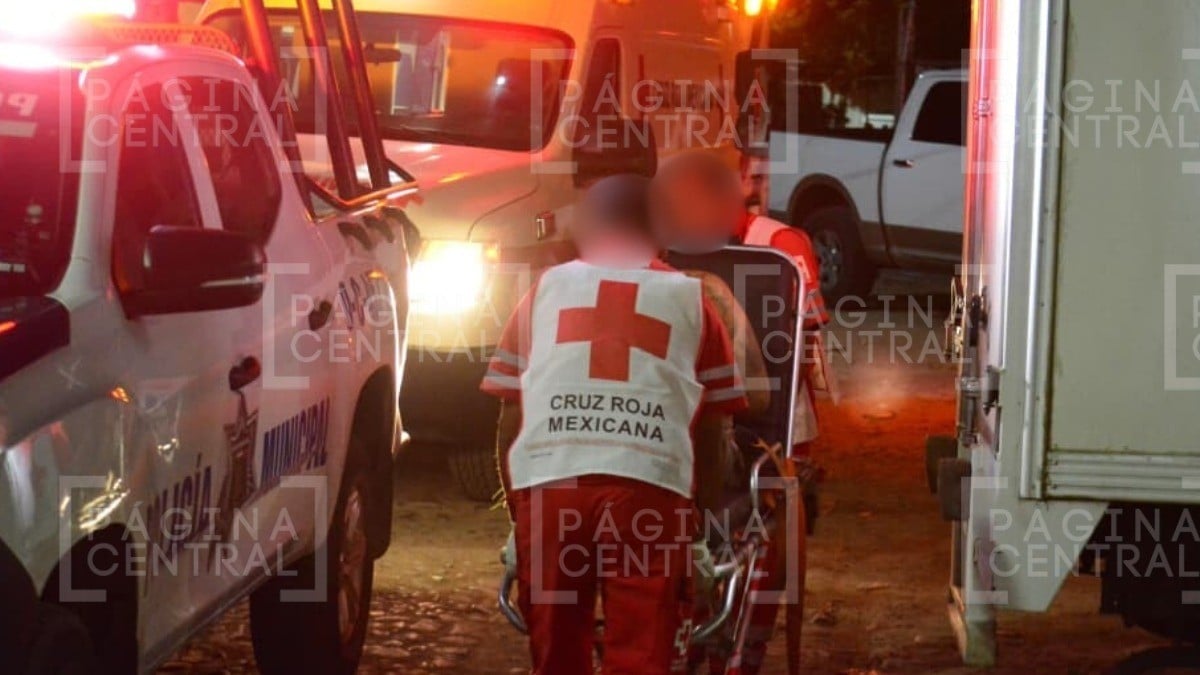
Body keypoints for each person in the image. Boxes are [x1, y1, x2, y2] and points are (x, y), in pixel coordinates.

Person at [482, 175, 748, 675]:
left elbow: (511, 417)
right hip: (648, 489)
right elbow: (712, 433)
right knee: (642, 654)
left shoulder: (544, 291)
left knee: (556, 656)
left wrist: (521, 522)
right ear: (662, 235)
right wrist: (697, 529)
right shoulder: (694, 301)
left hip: (552, 486)